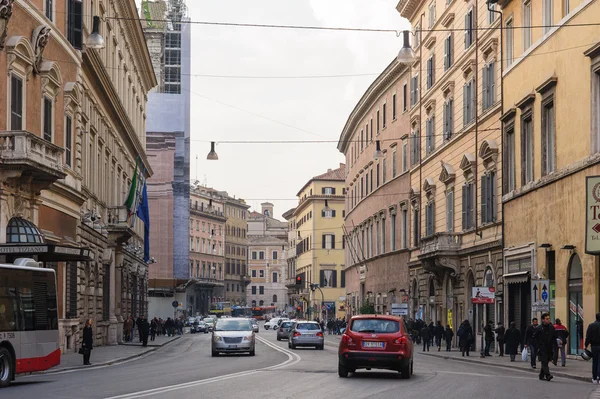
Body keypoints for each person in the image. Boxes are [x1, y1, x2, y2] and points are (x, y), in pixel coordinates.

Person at [533, 312, 556, 381]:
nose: (548, 320)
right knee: (544, 361)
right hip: (542, 347)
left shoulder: (551, 327)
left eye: (549, 318)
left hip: (549, 347)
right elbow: (534, 337)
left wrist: (558, 342)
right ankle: (548, 375)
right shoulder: (539, 328)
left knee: (545, 361)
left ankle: (541, 375)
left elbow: (554, 336)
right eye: (546, 319)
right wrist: (537, 346)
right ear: (543, 320)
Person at [584, 312, 600, 384]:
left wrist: (586, 345)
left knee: (595, 362)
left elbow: (588, 337)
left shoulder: (591, 325)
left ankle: (594, 378)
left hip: (594, 346)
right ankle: (599, 377)